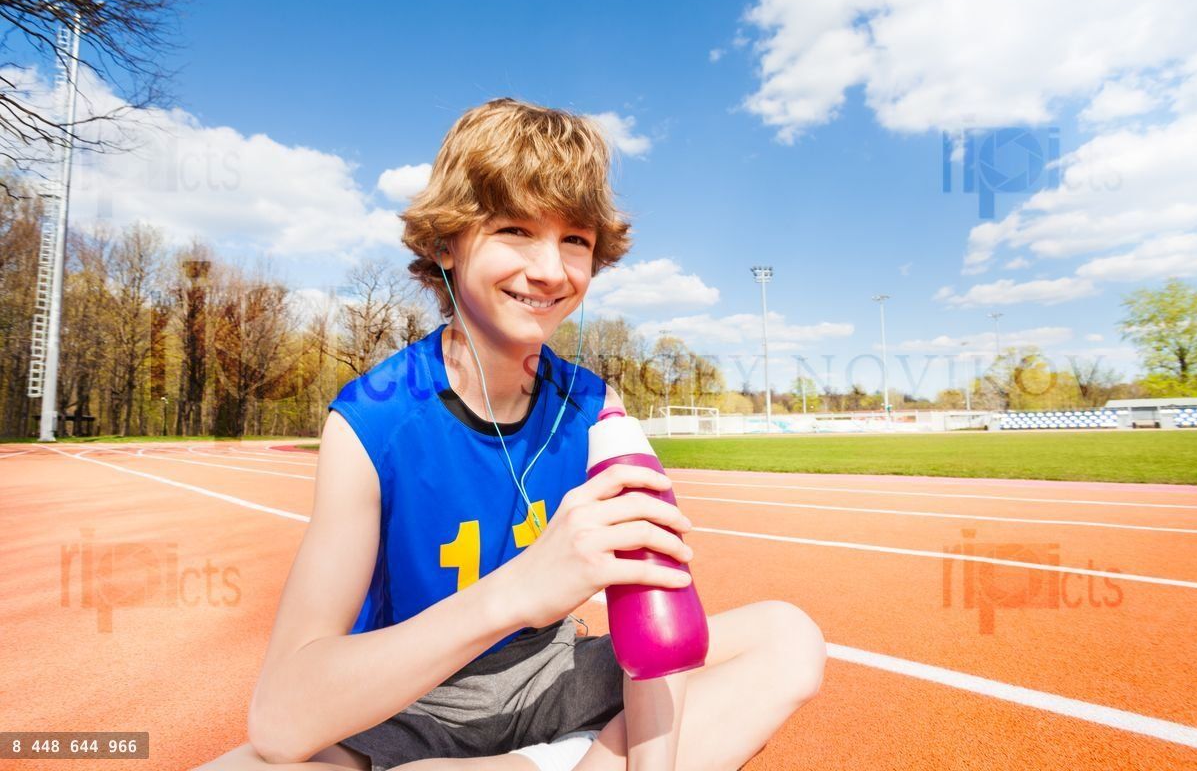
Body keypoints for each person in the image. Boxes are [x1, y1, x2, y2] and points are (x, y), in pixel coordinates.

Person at [198, 98, 826, 771]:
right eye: (515, 230)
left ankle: (546, 760)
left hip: (552, 680)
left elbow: (652, 626)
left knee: (786, 638)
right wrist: (518, 591)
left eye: (575, 239)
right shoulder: (371, 422)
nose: (551, 270)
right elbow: (279, 720)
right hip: (409, 698)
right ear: (446, 244)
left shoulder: (596, 409)